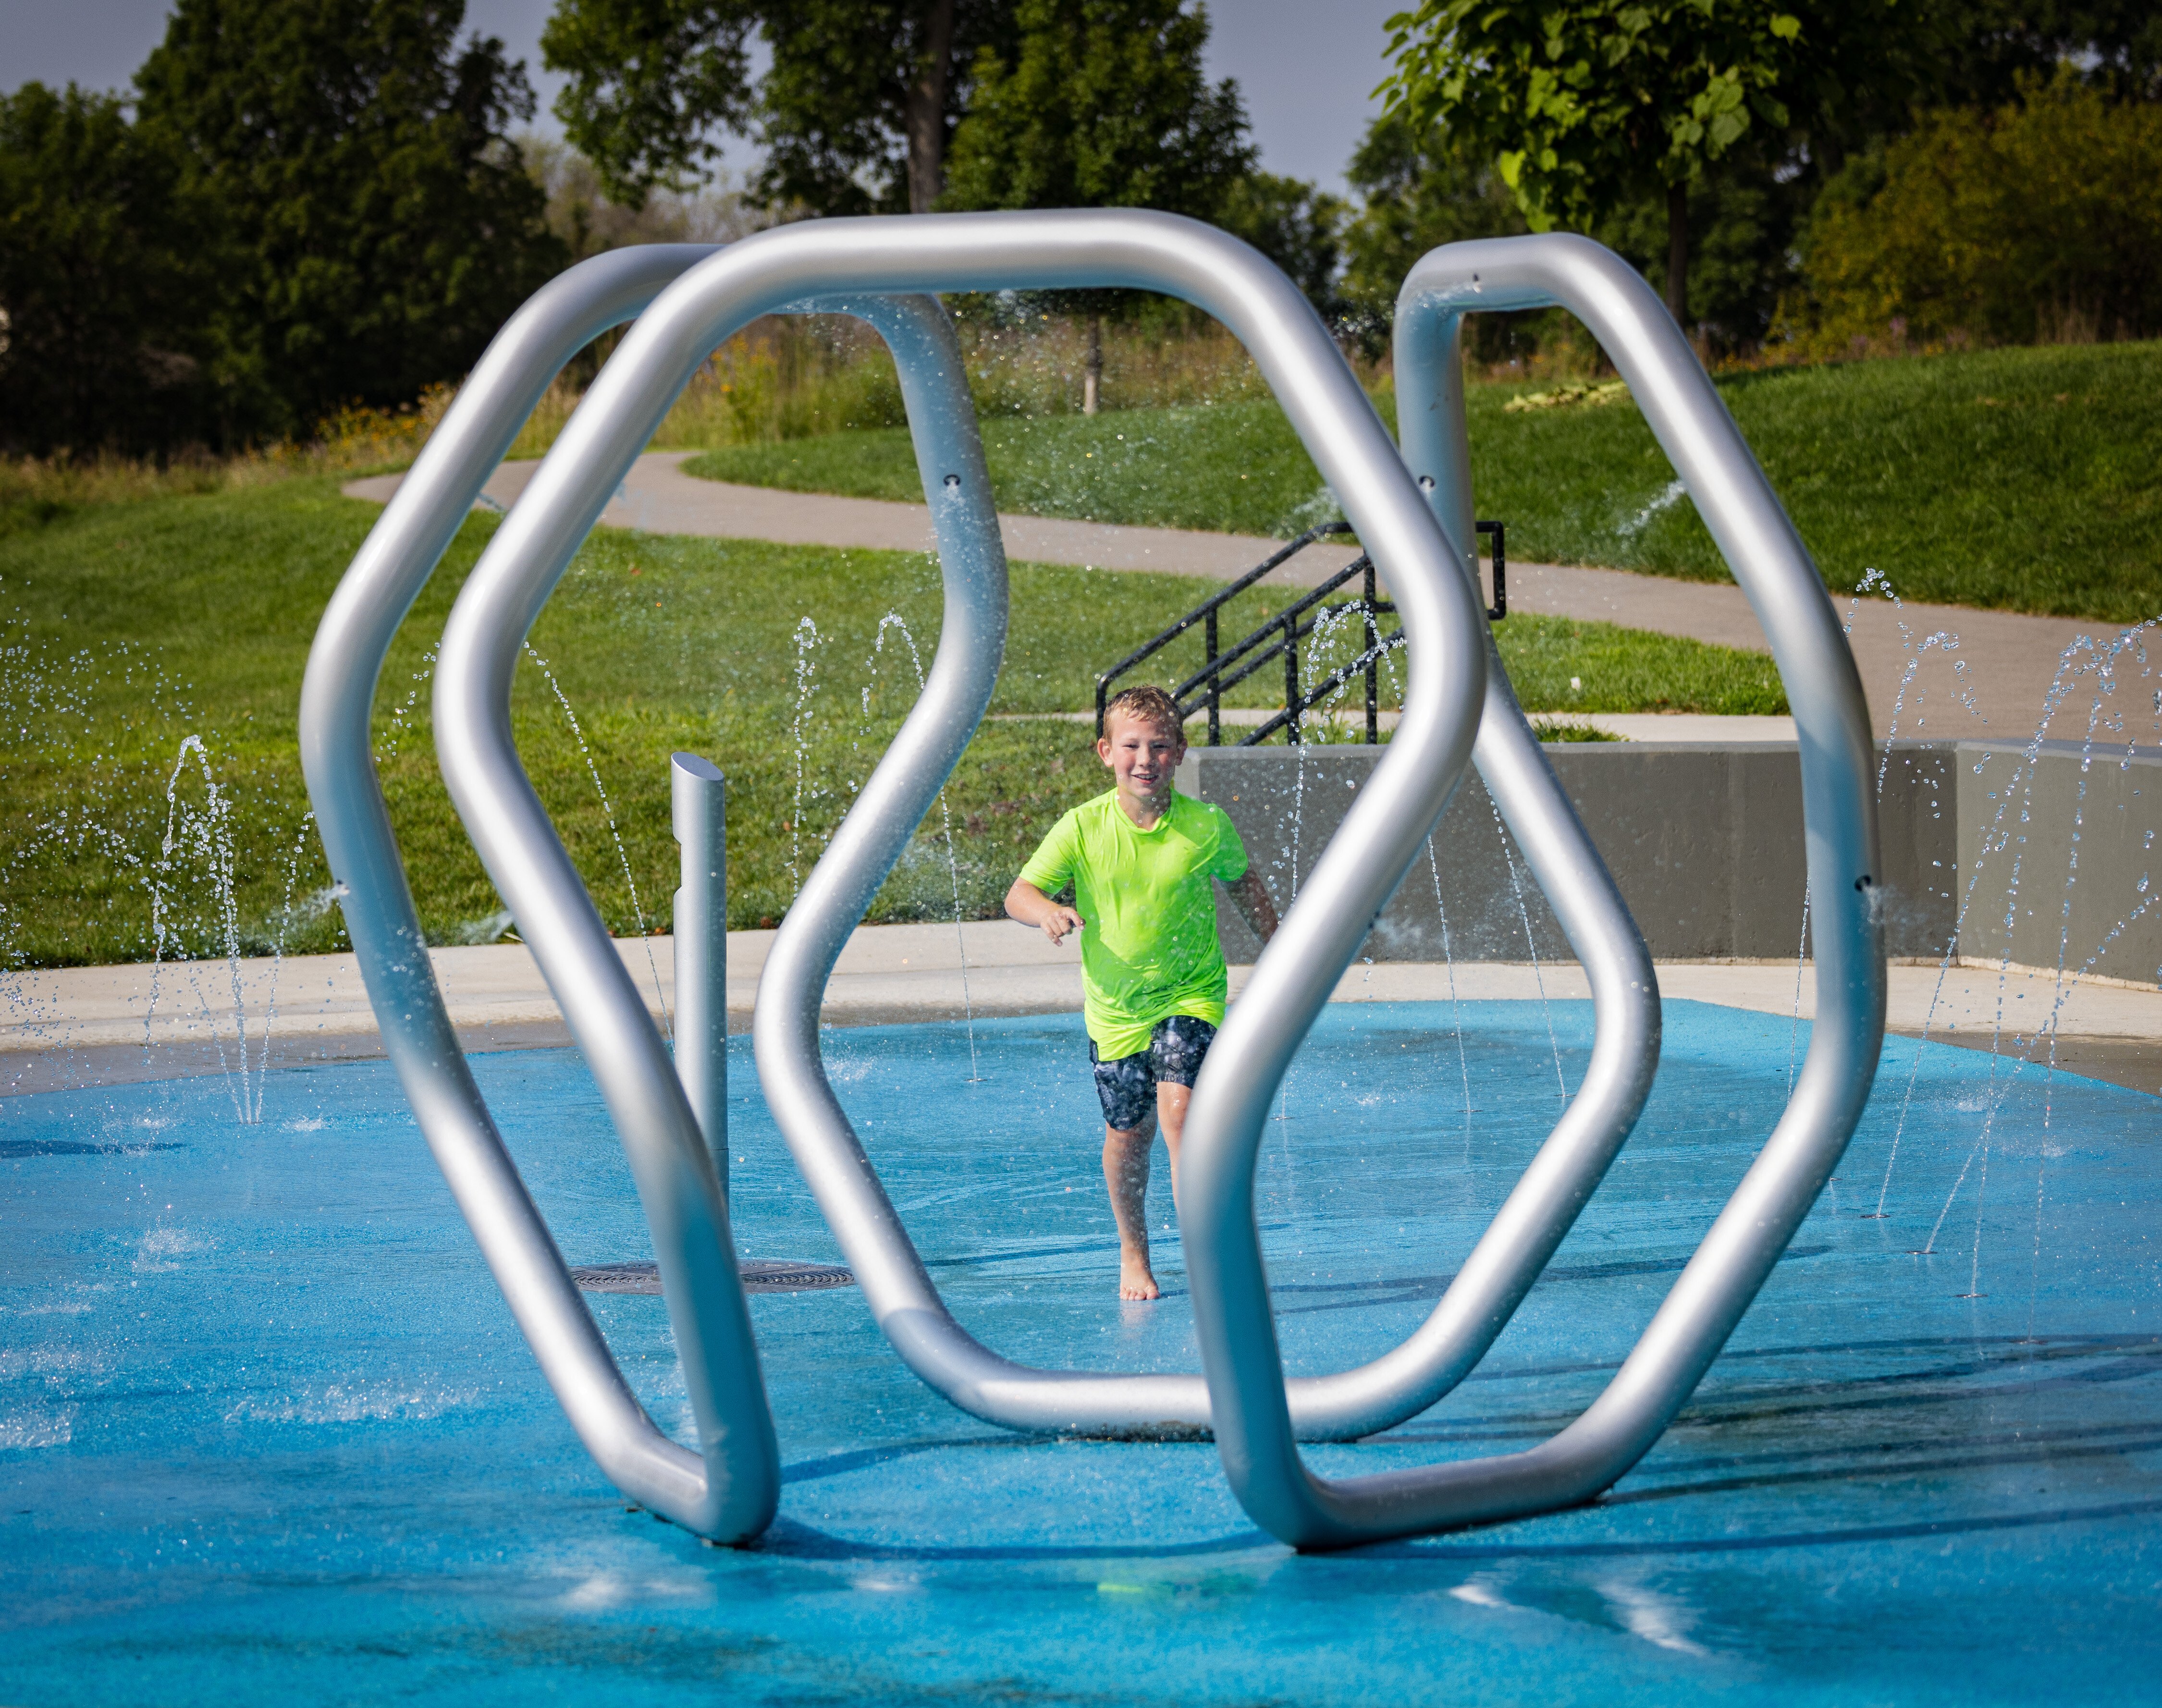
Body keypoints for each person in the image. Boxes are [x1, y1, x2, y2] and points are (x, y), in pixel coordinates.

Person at [1005, 684, 1279, 1301]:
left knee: (1181, 1112)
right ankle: (1134, 1251)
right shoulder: (1082, 827)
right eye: (1131, 745)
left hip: (1193, 994)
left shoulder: (1205, 825)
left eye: (1159, 745)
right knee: (1130, 1136)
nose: (1145, 758)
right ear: (1106, 752)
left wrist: (1281, 945)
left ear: (1180, 752)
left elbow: (1244, 885)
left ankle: (1207, 1253)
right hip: (1116, 1010)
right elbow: (1018, 893)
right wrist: (1046, 909)